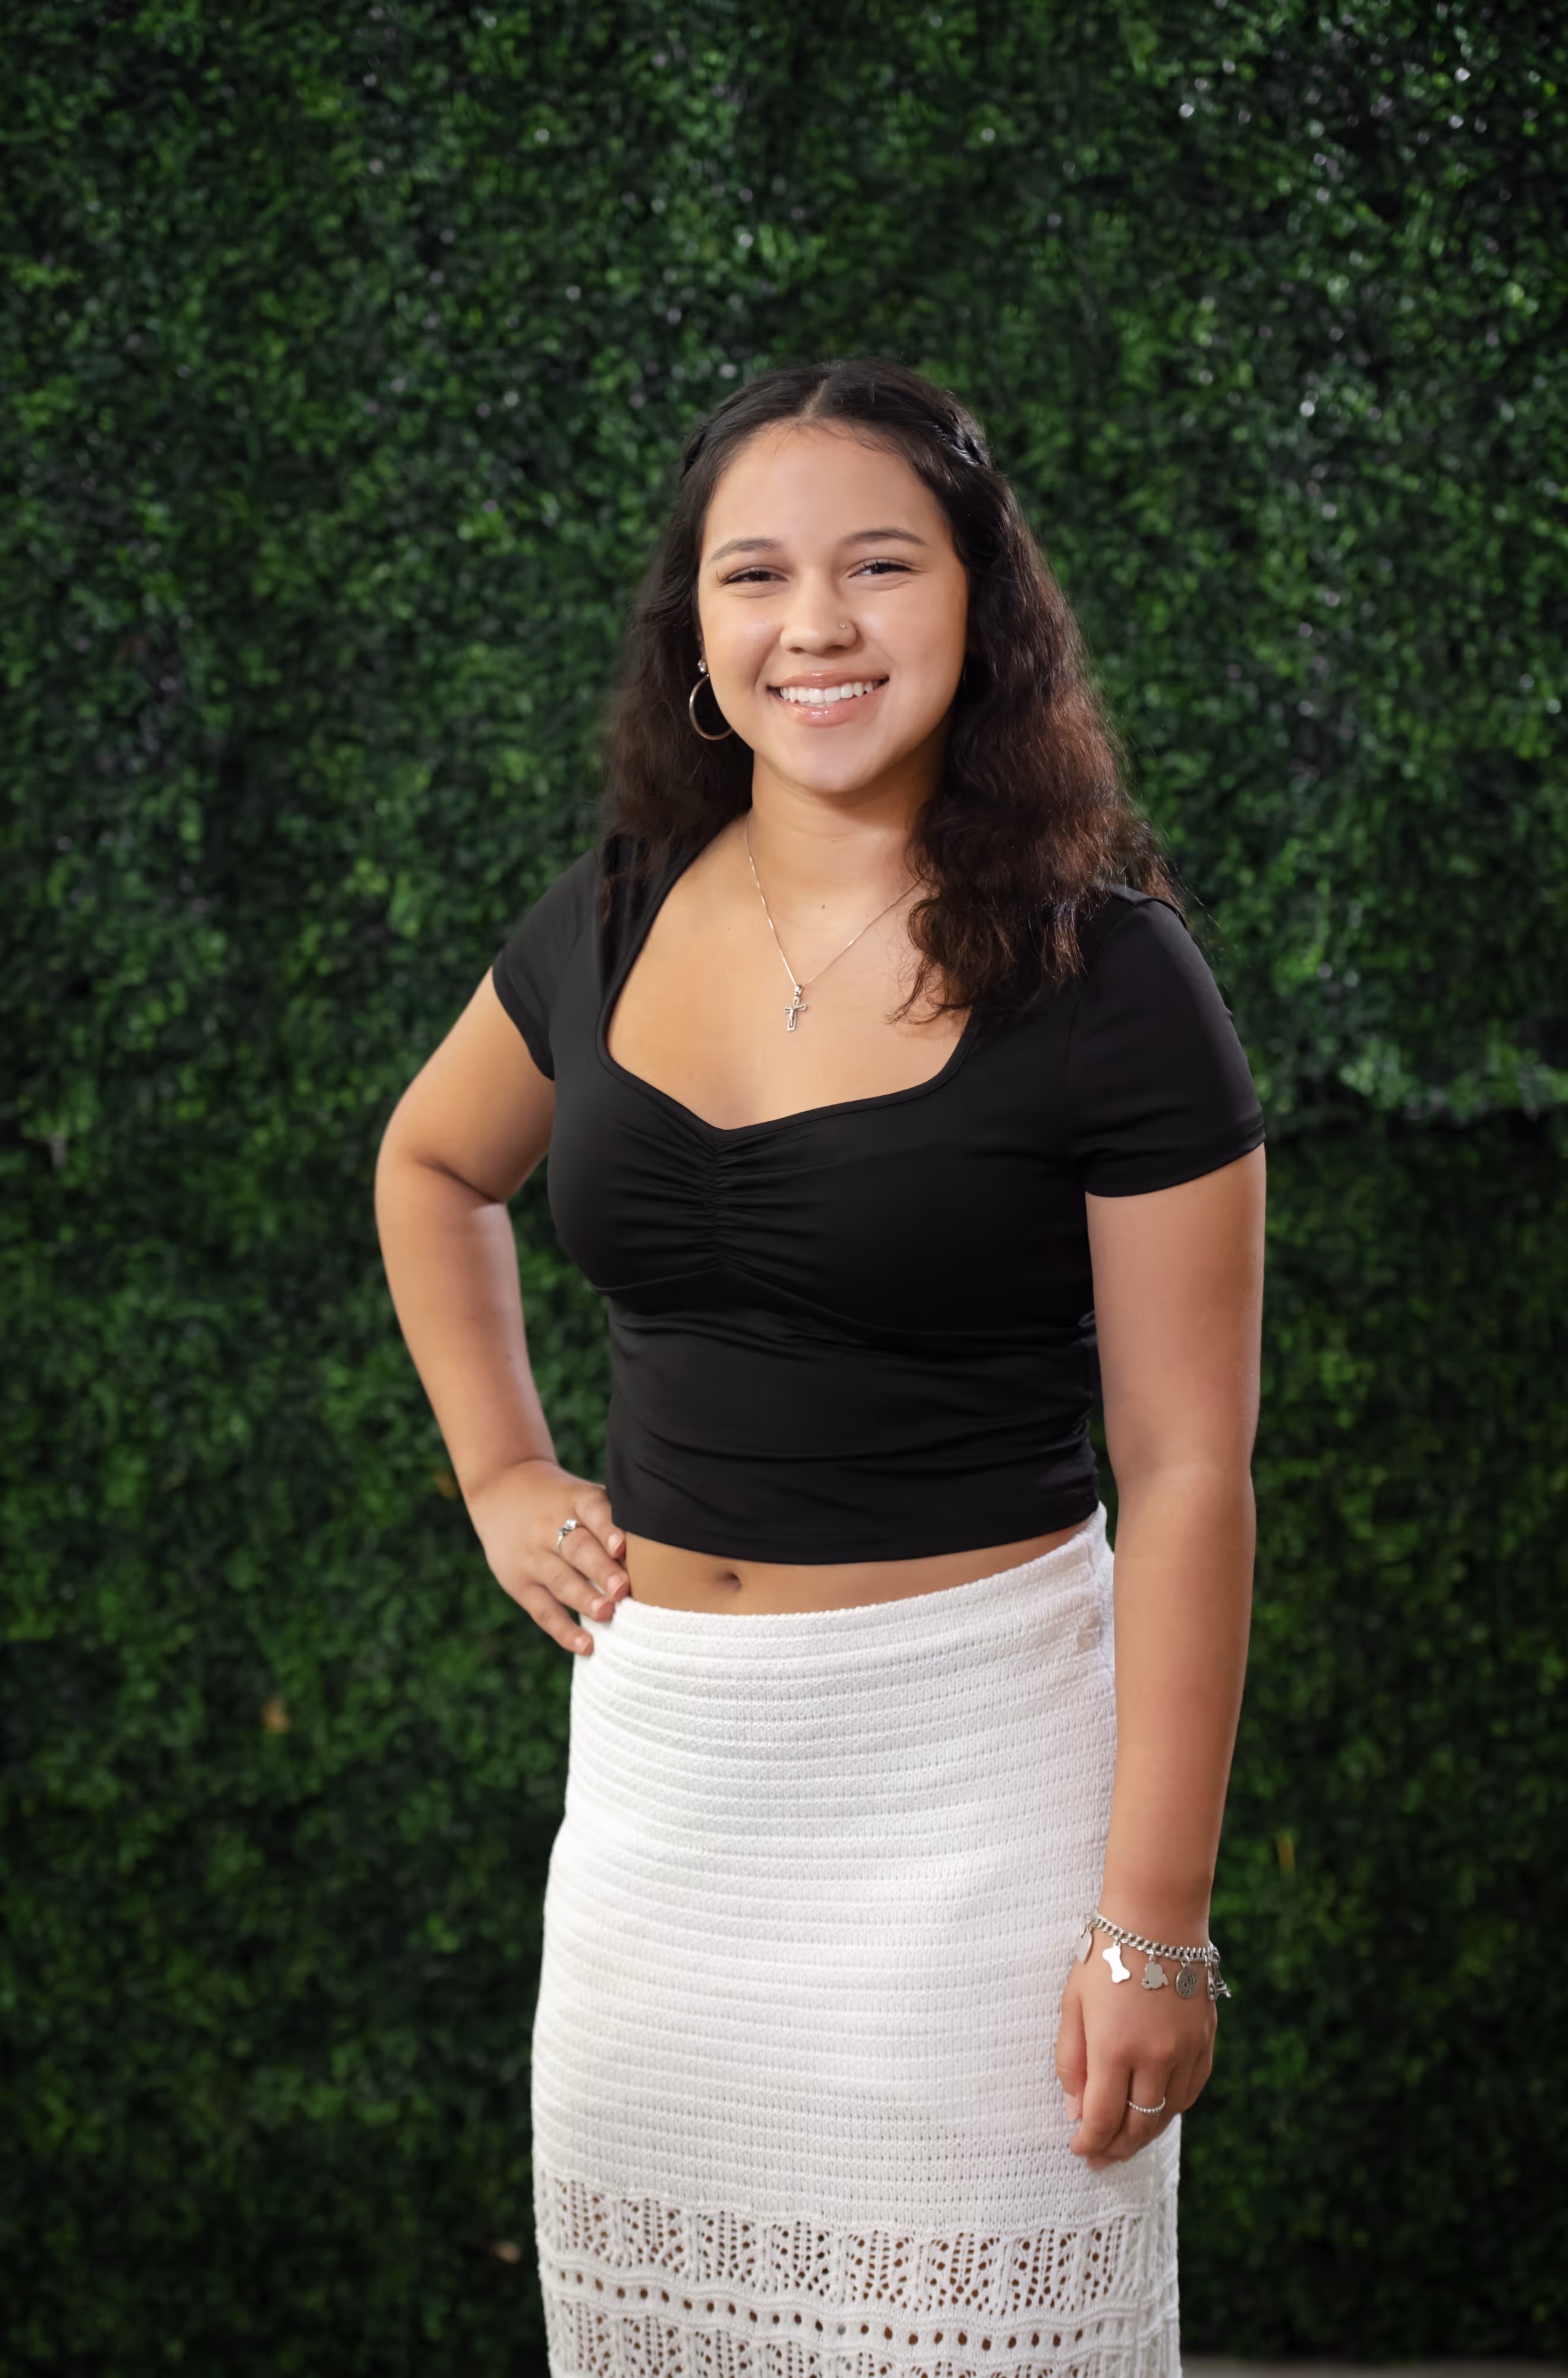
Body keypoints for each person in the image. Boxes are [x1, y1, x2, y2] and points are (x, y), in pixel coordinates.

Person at [374, 357, 1266, 2378]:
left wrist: (1153, 1927)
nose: (817, 627)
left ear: (983, 603)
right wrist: (502, 1477)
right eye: (753, 576)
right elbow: (431, 1168)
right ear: (696, 633)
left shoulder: (1110, 974)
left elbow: (1191, 1469)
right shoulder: (607, 920)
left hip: (973, 1798)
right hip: (666, 1804)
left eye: (879, 565)